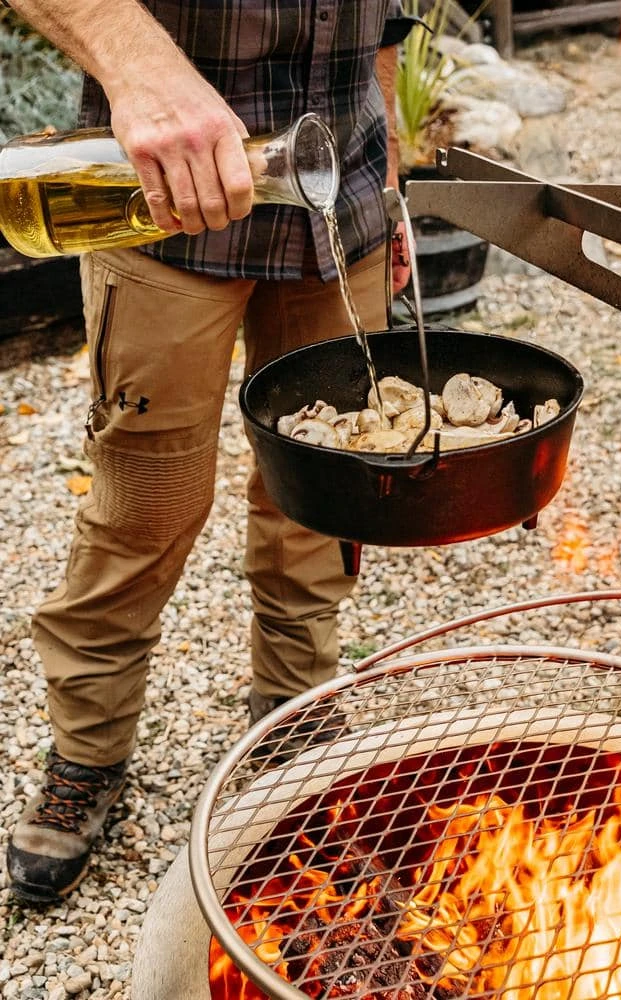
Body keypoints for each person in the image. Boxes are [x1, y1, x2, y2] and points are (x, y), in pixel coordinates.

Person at [3, 0, 413, 905]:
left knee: (322, 482)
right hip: (156, 210)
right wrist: (132, 58)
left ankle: (295, 713)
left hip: (338, 201)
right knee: (145, 500)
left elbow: (388, 19)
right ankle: (88, 749)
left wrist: (391, 179)